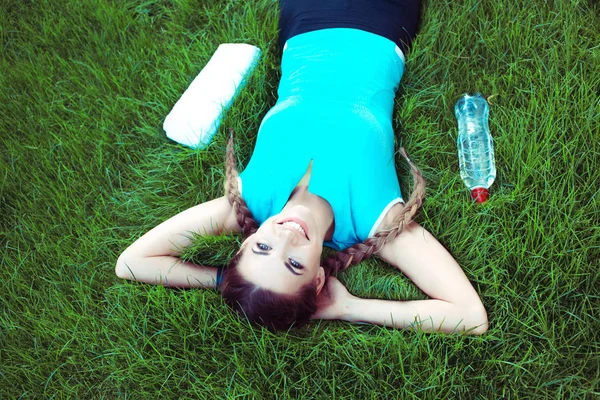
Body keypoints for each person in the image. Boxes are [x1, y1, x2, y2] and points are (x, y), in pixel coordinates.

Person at [115, 0, 489, 334]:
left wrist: (220, 279)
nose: (285, 238)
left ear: (245, 243)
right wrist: (349, 308)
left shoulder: (252, 200)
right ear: (318, 280)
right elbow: (469, 315)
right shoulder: (374, 220)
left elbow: (132, 262)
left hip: (305, 20)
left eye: (261, 248)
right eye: (294, 264)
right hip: (380, 19)